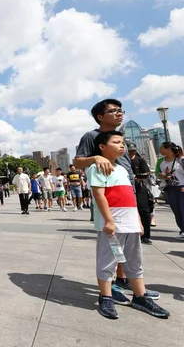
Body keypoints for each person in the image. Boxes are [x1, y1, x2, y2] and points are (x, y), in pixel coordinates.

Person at [74, 99, 159, 306]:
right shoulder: (91, 137)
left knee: (128, 242)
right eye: (112, 111)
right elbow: (77, 162)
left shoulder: (120, 138)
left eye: (120, 110)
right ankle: (110, 286)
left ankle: (123, 280)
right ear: (100, 116)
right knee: (112, 241)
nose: (119, 114)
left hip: (127, 192)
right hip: (108, 195)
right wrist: (95, 158)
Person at [87, 131, 169, 319]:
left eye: (123, 142)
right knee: (108, 260)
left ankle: (140, 296)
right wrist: (108, 220)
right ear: (102, 147)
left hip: (130, 222)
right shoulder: (97, 168)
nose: (122, 145)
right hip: (114, 224)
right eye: (116, 142)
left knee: (134, 260)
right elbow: (99, 195)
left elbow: (130, 197)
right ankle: (106, 296)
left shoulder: (123, 169)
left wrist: (139, 221)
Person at [128, 143, 153, 244]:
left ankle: (146, 235)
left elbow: (147, 173)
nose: (131, 153)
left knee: (144, 211)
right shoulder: (120, 160)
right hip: (126, 187)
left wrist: (137, 176)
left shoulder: (140, 160)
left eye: (133, 151)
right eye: (129, 151)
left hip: (140, 187)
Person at [159, 141, 184, 239]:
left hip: (182, 188)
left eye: (162, 148)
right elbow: (165, 176)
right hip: (171, 189)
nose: (160, 150)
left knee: (183, 210)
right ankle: (182, 230)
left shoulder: (181, 160)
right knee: (176, 211)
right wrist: (164, 176)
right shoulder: (162, 163)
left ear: (168, 149)